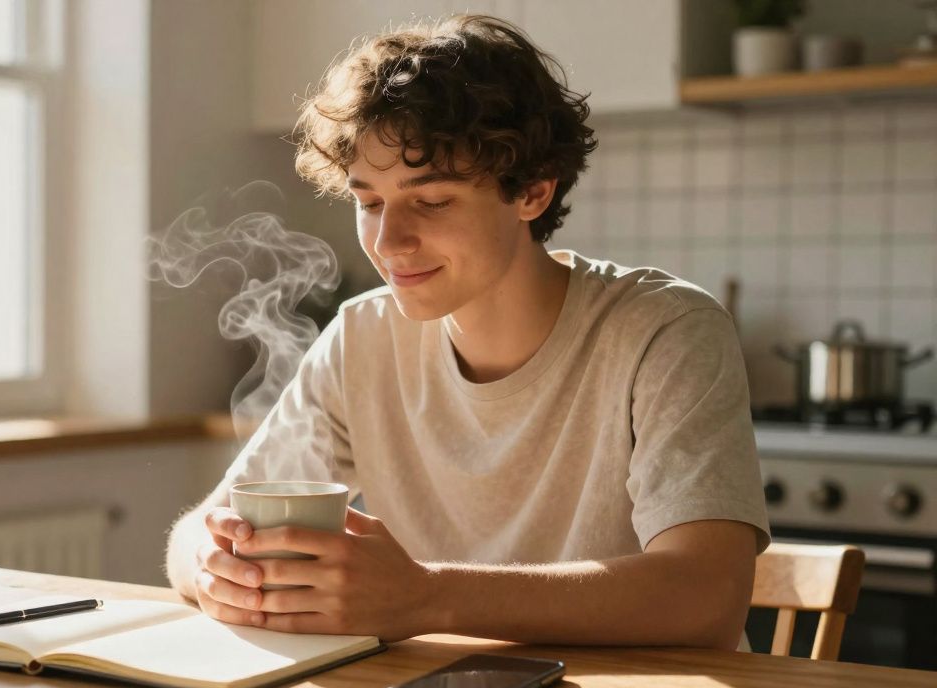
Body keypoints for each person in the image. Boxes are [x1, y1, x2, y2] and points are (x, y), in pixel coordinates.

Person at [164, 14, 769, 649]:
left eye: (431, 201)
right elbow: (198, 534)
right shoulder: (361, 338)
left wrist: (426, 596)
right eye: (369, 203)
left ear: (532, 191)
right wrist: (215, 565)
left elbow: (707, 595)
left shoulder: (665, 331)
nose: (388, 242)